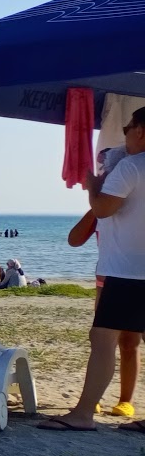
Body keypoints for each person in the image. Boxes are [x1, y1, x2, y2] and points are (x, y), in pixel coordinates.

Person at [41, 109, 145, 431]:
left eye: (127, 127)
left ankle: (83, 414)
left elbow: (101, 208)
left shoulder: (130, 167)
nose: (125, 134)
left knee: (102, 340)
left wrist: (92, 186)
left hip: (128, 272)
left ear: (140, 130)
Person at [63, 144, 143, 421]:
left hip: (127, 277)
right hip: (107, 279)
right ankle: (92, 401)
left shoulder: (129, 198)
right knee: (103, 339)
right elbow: (74, 240)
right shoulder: (104, 206)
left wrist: (95, 194)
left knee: (128, 341)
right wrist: (94, 205)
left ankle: (124, 400)